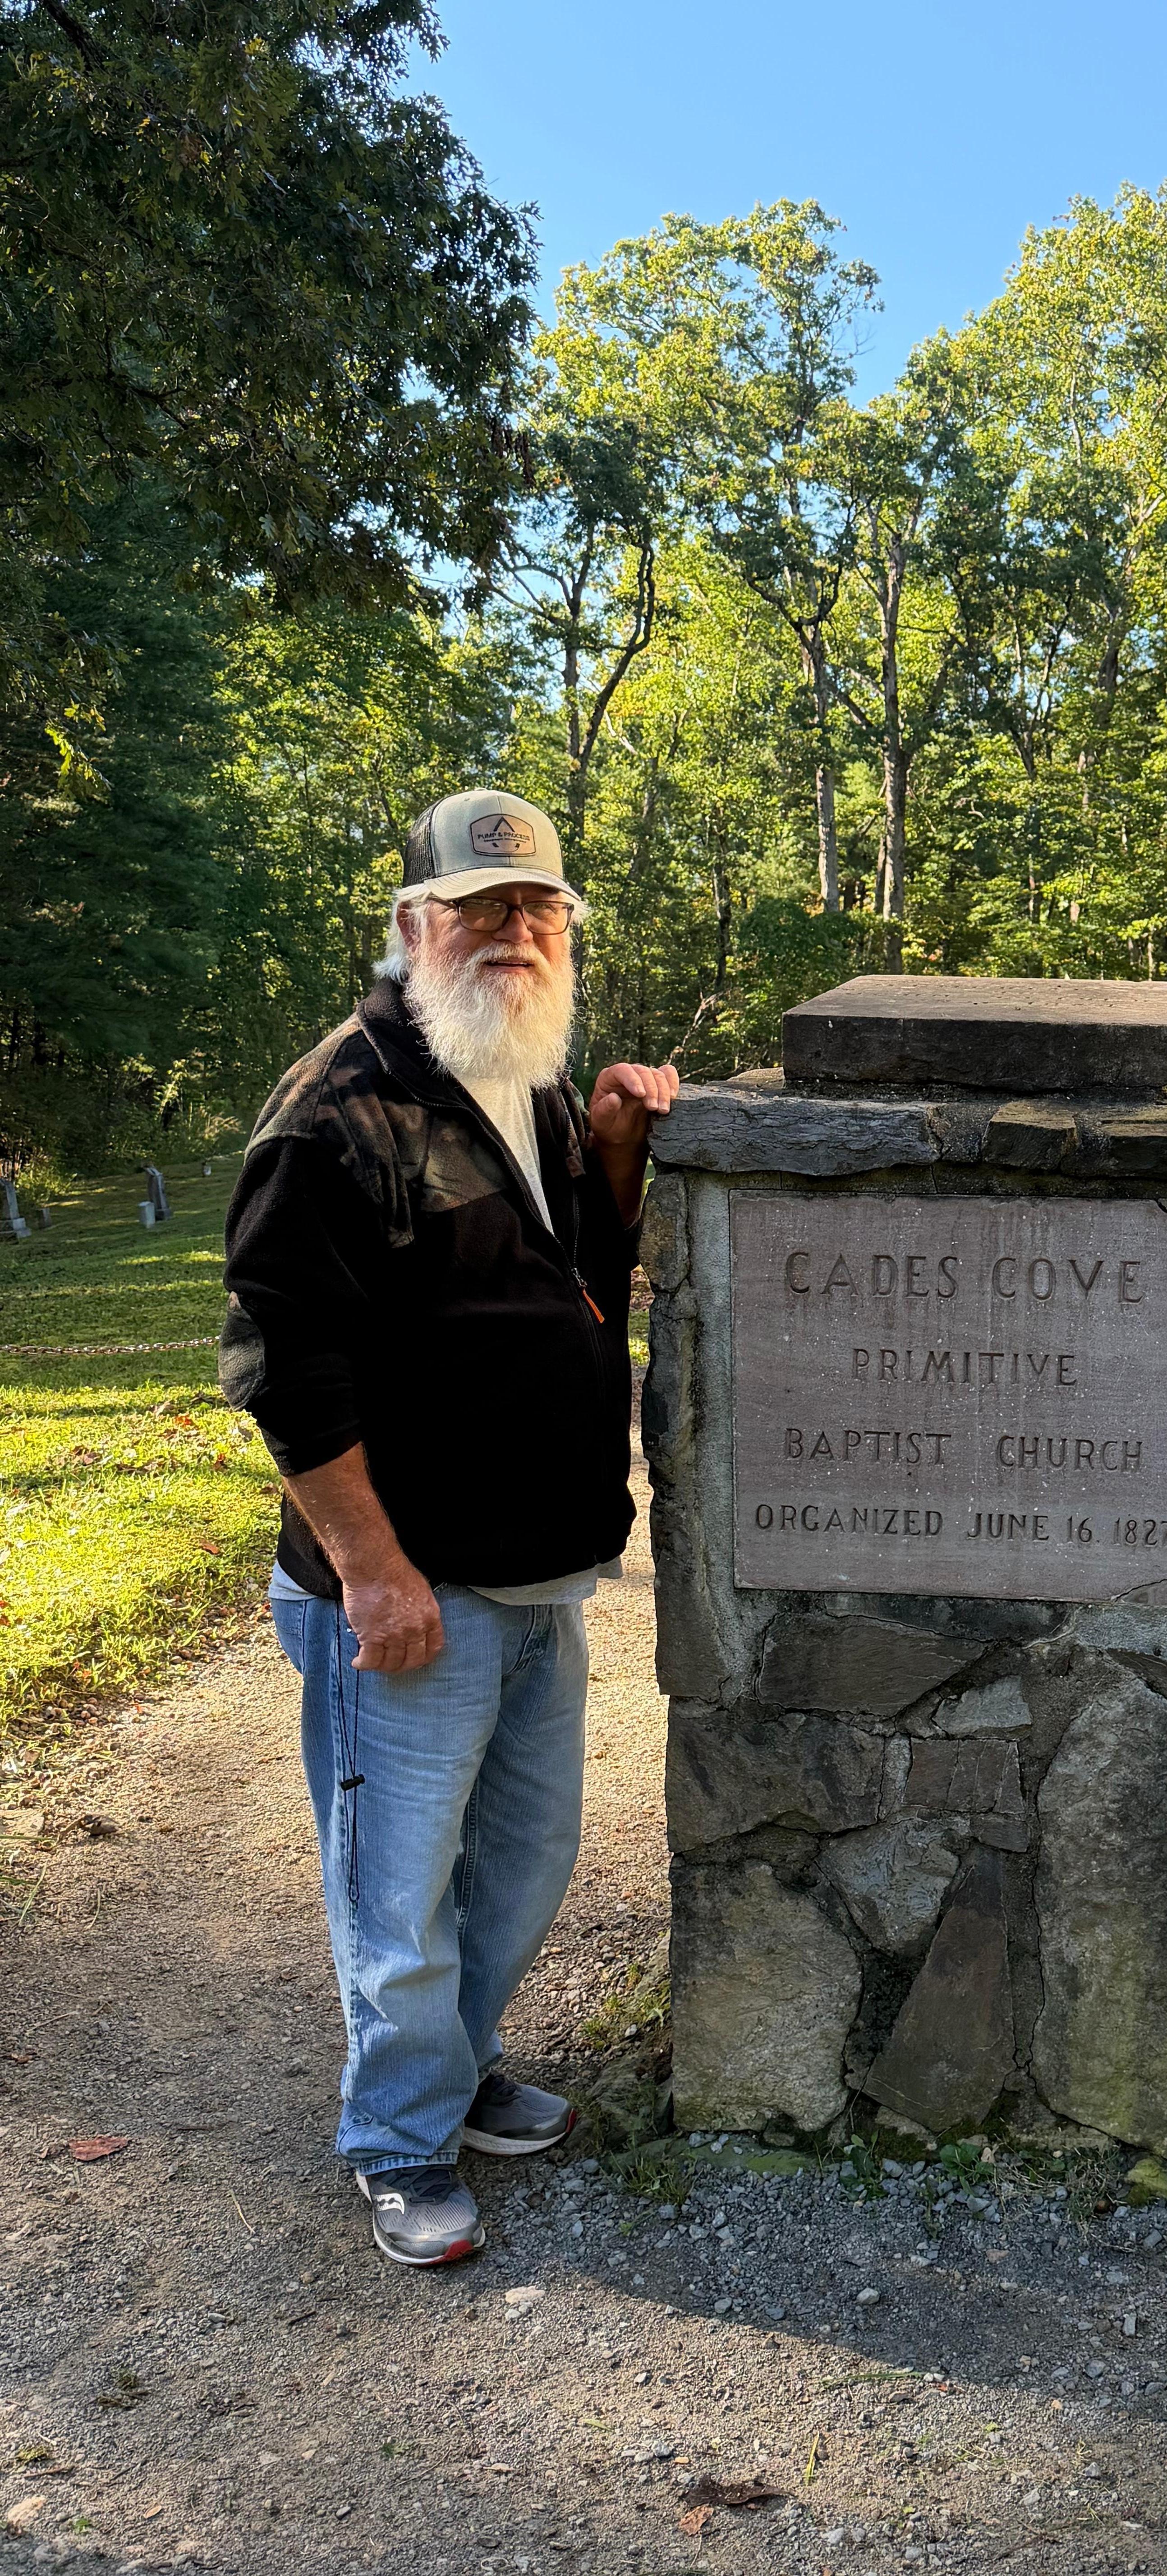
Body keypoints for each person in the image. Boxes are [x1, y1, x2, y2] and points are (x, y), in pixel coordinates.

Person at [221, 789, 679, 2268]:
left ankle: (457, 2068)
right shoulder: (334, 1113)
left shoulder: (522, 1078)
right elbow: (283, 1364)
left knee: (525, 1854)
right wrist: (369, 1569)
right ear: (415, 927)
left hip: (534, 1569)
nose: (515, 934)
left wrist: (611, 1151)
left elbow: (575, 1284)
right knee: (398, 1884)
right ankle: (401, 2140)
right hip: (413, 1585)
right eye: (482, 910)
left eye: (537, 910)